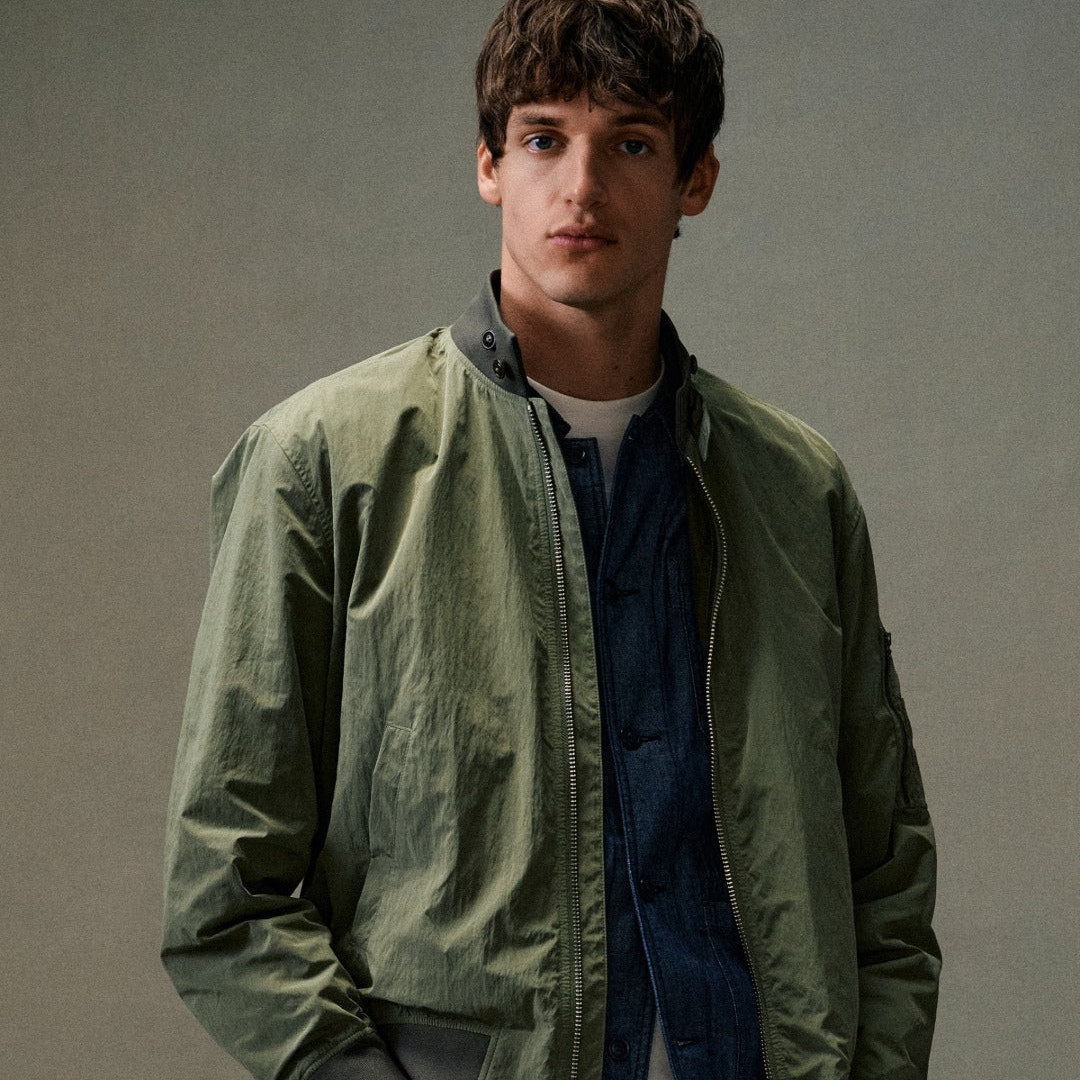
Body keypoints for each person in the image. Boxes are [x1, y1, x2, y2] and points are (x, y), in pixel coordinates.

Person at [161, 2, 941, 1079]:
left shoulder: (796, 490)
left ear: (696, 180)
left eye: (632, 144)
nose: (581, 186)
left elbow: (886, 877)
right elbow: (222, 891)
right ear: (490, 165)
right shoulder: (323, 463)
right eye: (542, 139)